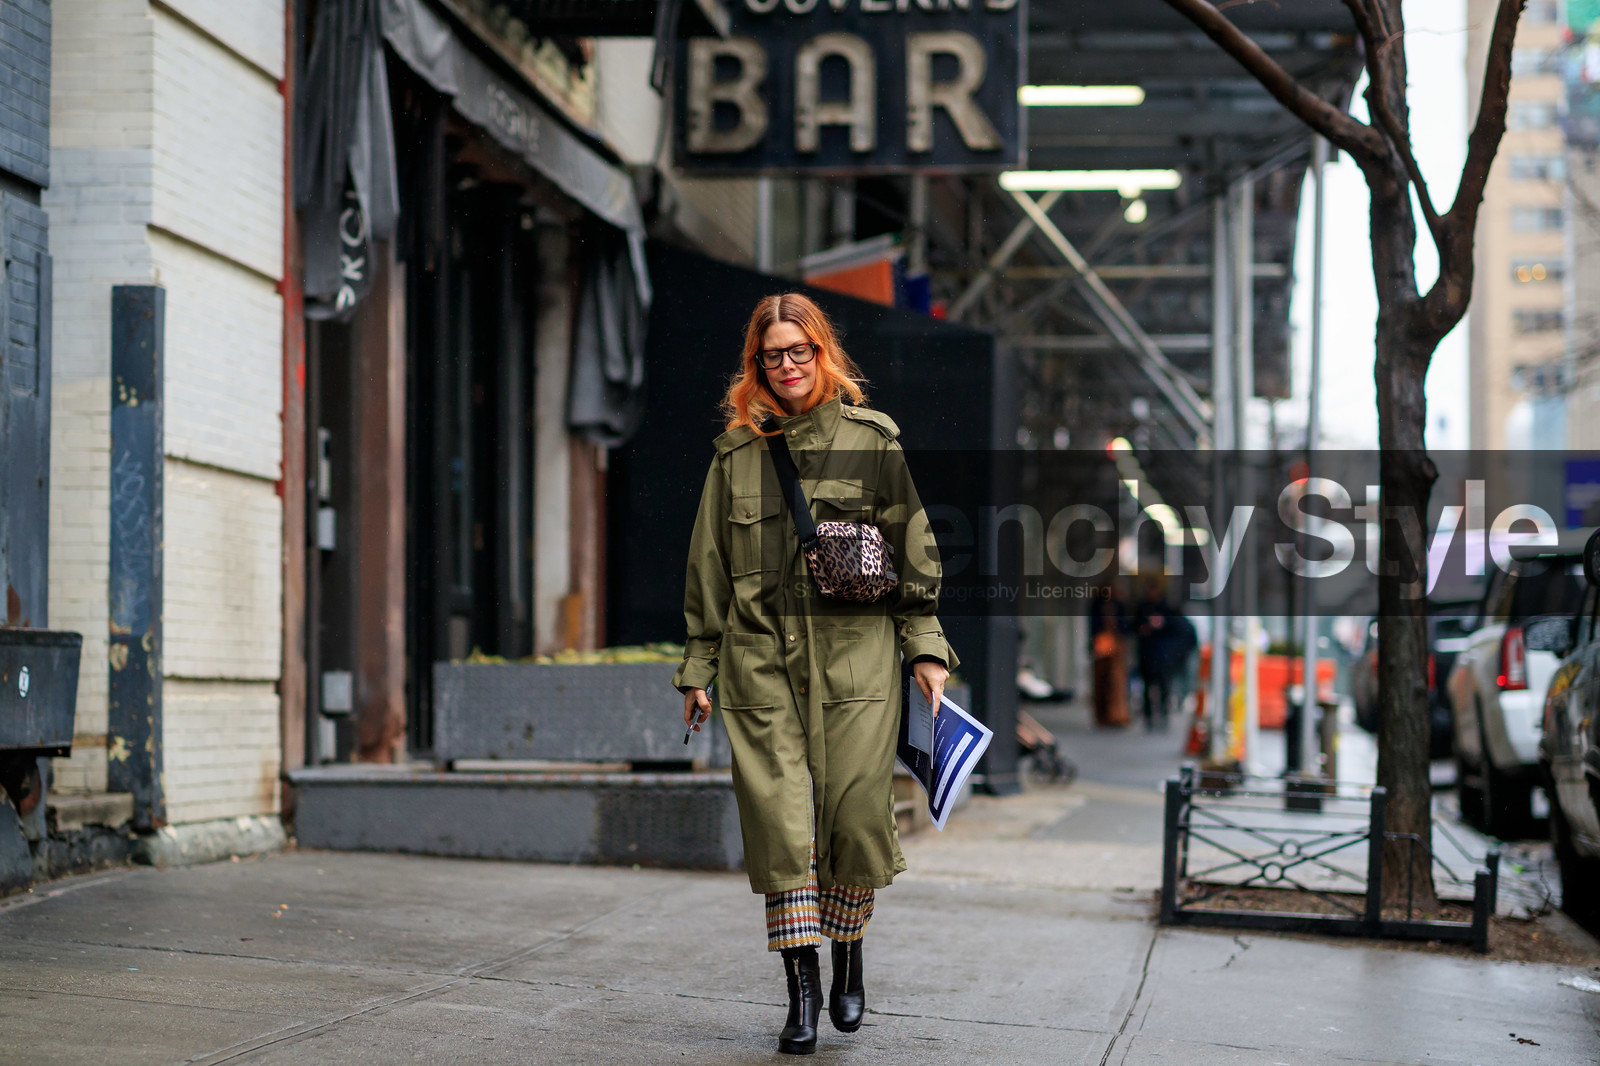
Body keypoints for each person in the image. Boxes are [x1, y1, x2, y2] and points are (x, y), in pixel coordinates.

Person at [672, 293, 958, 1055]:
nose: (789, 366)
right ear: (755, 363)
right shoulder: (734, 455)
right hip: (762, 665)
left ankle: (850, 950)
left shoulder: (872, 441)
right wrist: (701, 667)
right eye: (774, 355)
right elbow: (709, 569)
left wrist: (924, 649)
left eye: (801, 351)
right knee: (781, 826)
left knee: (855, 818)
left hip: (856, 664)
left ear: (822, 353)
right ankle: (800, 989)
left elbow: (916, 549)